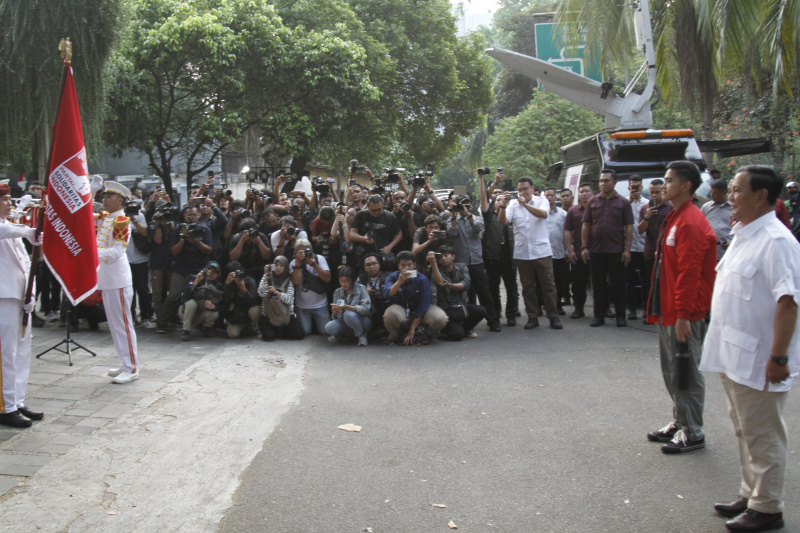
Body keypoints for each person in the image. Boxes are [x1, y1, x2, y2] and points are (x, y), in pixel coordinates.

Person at [700, 165, 800, 532]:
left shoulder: (776, 241)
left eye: (738, 190)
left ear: (761, 195)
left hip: (760, 359)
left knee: (764, 434)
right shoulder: (745, 234)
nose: (731, 196)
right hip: (734, 354)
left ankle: (768, 507)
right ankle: (750, 492)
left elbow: (788, 304)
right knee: (744, 430)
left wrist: (779, 358)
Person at [644, 161, 717, 454]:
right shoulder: (675, 216)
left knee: (686, 371)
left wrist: (685, 315)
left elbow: (690, 272)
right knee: (673, 369)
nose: (663, 185)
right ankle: (681, 419)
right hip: (668, 308)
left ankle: (693, 431)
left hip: (682, 312)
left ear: (686, 186)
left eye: (669, 180)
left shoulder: (691, 221)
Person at [0, 182, 44, 427]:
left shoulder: (10, 226)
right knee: (5, 353)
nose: (10, 204)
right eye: (5, 200)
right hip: (3, 297)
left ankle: (16, 399)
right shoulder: (8, 229)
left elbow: (26, 263)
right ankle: (4, 406)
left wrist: (31, 295)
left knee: (21, 352)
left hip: (18, 296)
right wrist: (27, 231)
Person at [498, 177, 563, 330]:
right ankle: (532, 316)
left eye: (525, 188)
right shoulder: (513, 204)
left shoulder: (541, 201)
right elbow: (503, 222)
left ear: (532, 189)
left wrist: (525, 205)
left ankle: (553, 315)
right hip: (522, 252)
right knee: (527, 287)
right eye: (519, 189)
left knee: (548, 285)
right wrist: (502, 206)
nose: (522, 192)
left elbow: (543, 215)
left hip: (541, 251)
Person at [97, 182, 140, 384]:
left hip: (118, 278)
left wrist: (91, 255)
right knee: (115, 325)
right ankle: (125, 363)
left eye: (108, 197)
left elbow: (117, 251)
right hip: (107, 278)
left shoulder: (122, 221)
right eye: (104, 196)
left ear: (120, 200)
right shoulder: (107, 217)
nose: (104, 200)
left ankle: (132, 367)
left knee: (123, 324)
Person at [581, 169, 634, 327]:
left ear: (615, 182)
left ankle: (620, 316)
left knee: (618, 284)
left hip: (616, 250)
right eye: (601, 181)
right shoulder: (593, 201)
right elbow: (586, 225)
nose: (603, 184)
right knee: (598, 285)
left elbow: (629, 227)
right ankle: (599, 316)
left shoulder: (623, 202)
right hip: (596, 250)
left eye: (606, 181)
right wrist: (584, 247)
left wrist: (627, 249)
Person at [447, 194, 502, 332]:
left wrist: (468, 215)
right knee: (467, 293)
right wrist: (454, 214)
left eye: (467, 204)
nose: (465, 207)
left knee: (485, 292)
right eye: (462, 204)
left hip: (476, 261)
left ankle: (493, 320)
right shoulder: (452, 219)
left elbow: (479, 229)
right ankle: (469, 323)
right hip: (461, 262)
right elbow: (452, 233)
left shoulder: (476, 218)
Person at [382, 251, 447, 346]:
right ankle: (394, 335)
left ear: (414, 265)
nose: (406, 268)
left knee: (441, 317)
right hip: (402, 308)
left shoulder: (422, 279)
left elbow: (423, 305)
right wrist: (399, 282)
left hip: (419, 311)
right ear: (398, 266)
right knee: (389, 314)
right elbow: (388, 294)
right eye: (403, 265)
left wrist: (412, 330)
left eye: (409, 265)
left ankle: (427, 334)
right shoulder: (393, 277)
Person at [480, 175, 519, 326]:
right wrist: (482, 180)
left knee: (512, 288)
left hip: (510, 257)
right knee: (493, 288)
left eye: (504, 201)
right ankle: (495, 314)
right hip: (493, 258)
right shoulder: (490, 216)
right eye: (498, 200)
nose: (501, 202)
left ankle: (511, 314)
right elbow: (484, 199)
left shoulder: (514, 216)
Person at [426, 247, 487, 341]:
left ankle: (466, 329)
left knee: (481, 310)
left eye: (446, 255)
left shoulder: (462, 266)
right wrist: (433, 263)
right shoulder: (437, 270)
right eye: (440, 257)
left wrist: (451, 285)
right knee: (457, 335)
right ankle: (449, 330)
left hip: (462, 306)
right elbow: (439, 282)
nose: (443, 259)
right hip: (447, 309)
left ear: (453, 256)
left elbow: (466, 284)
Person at [638, 178, 673, 324]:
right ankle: (649, 313)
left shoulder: (670, 207)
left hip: (666, 253)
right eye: (651, 192)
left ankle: (664, 312)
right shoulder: (645, 208)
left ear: (663, 191)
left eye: (657, 192)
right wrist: (648, 217)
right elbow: (640, 230)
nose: (654, 195)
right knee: (648, 283)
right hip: (650, 251)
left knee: (664, 284)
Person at [257, 257, 305, 342]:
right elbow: (261, 293)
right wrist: (266, 277)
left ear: (285, 267)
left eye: (281, 266)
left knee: (299, 334)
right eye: (276, 265)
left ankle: (280, 331)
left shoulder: (289, 279)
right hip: (268, 314)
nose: (278, 268)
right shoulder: (267, 277)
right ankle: (275, 330)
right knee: (268, 336)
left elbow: (290, 300)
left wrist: (277, 293)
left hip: (285, 314)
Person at [290, 238, 331, 335]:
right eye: (301, 251)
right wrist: (298, 262)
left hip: (320, 304)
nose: (304, 253)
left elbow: (327, 278)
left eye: (306, 250)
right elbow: (297, 281)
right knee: (305, 332)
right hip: (303, 306)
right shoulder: (293, 263)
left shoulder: (319, 259)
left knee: (325, 331)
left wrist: (314, 265)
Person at [564, 184, 592, 319]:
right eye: (581, 192)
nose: (584, 194)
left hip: (598, 251)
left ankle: (603, 308)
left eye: (587, 191)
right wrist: (570, 250)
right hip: (579, 252)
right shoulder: (573, 211)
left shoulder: (597, 209)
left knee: (600, 282)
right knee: (578, 282)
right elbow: (568, 231)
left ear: (593, 193)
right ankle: (578, 308)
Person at [325, 266, 372, 346]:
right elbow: (335, 317)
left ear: (352, 280)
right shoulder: (338, 292)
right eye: (341, 281)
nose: (344, 284)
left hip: (363, 321)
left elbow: (365, 309)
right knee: (329, 326)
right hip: (345, 322)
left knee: (348, 314)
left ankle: (361, 335)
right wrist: (335, 311)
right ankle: (344, 336)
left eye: (347, 281)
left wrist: (346, 307)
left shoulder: (361, 289)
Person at [179, 261, 224, 340]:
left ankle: (206, 328)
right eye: (208, 271)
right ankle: (185, 330)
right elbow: (184, 298)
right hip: (186, 311)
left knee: (214, 313)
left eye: (214, 272)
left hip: (202, 313)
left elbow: (223, 305)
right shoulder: (194, 278)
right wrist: (197, 281)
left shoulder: (218, 286)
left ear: (218, 274)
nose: (210, 274)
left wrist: (214, 306)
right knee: (191, 303)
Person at [221, 261, 261, 339]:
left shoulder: (249, 281)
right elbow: (226, 302)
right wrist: (227, 285)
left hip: (249, 312)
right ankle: (245, 329)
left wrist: (243, 289)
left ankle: (255, 326)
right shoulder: (229, 283)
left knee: (255, 310)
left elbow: (253, 301)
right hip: (238, 315)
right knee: (232, 334)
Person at [544, 188, 568, 315]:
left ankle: (558, 305)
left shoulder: (563, 214)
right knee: (545, 282)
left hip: (559, 253)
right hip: (544, 254)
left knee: (559, 281)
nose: (549, 197)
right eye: (547, 195)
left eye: (551, 195)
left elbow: (567, 233)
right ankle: (545, 305)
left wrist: (568, 250)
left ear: (555, 197)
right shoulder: (540, 213)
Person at [626, 176, 647, 319]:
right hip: (630, 247)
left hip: (645, 246)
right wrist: (630, 201)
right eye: (633, 186)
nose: (635, 189)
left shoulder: (648, 203)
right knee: (630, 280)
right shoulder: (624, 203)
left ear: (642, 188)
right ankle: (632, 309)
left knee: (646, 280)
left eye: (638, 186)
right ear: (629, 188)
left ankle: (647, 308)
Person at [700, 179, 733, 260]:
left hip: (727, 252)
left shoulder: (733, 208)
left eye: (715, 193)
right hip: (709, 250)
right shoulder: (706, 207)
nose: (712, 195)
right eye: (711, 192)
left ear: (724, 192)